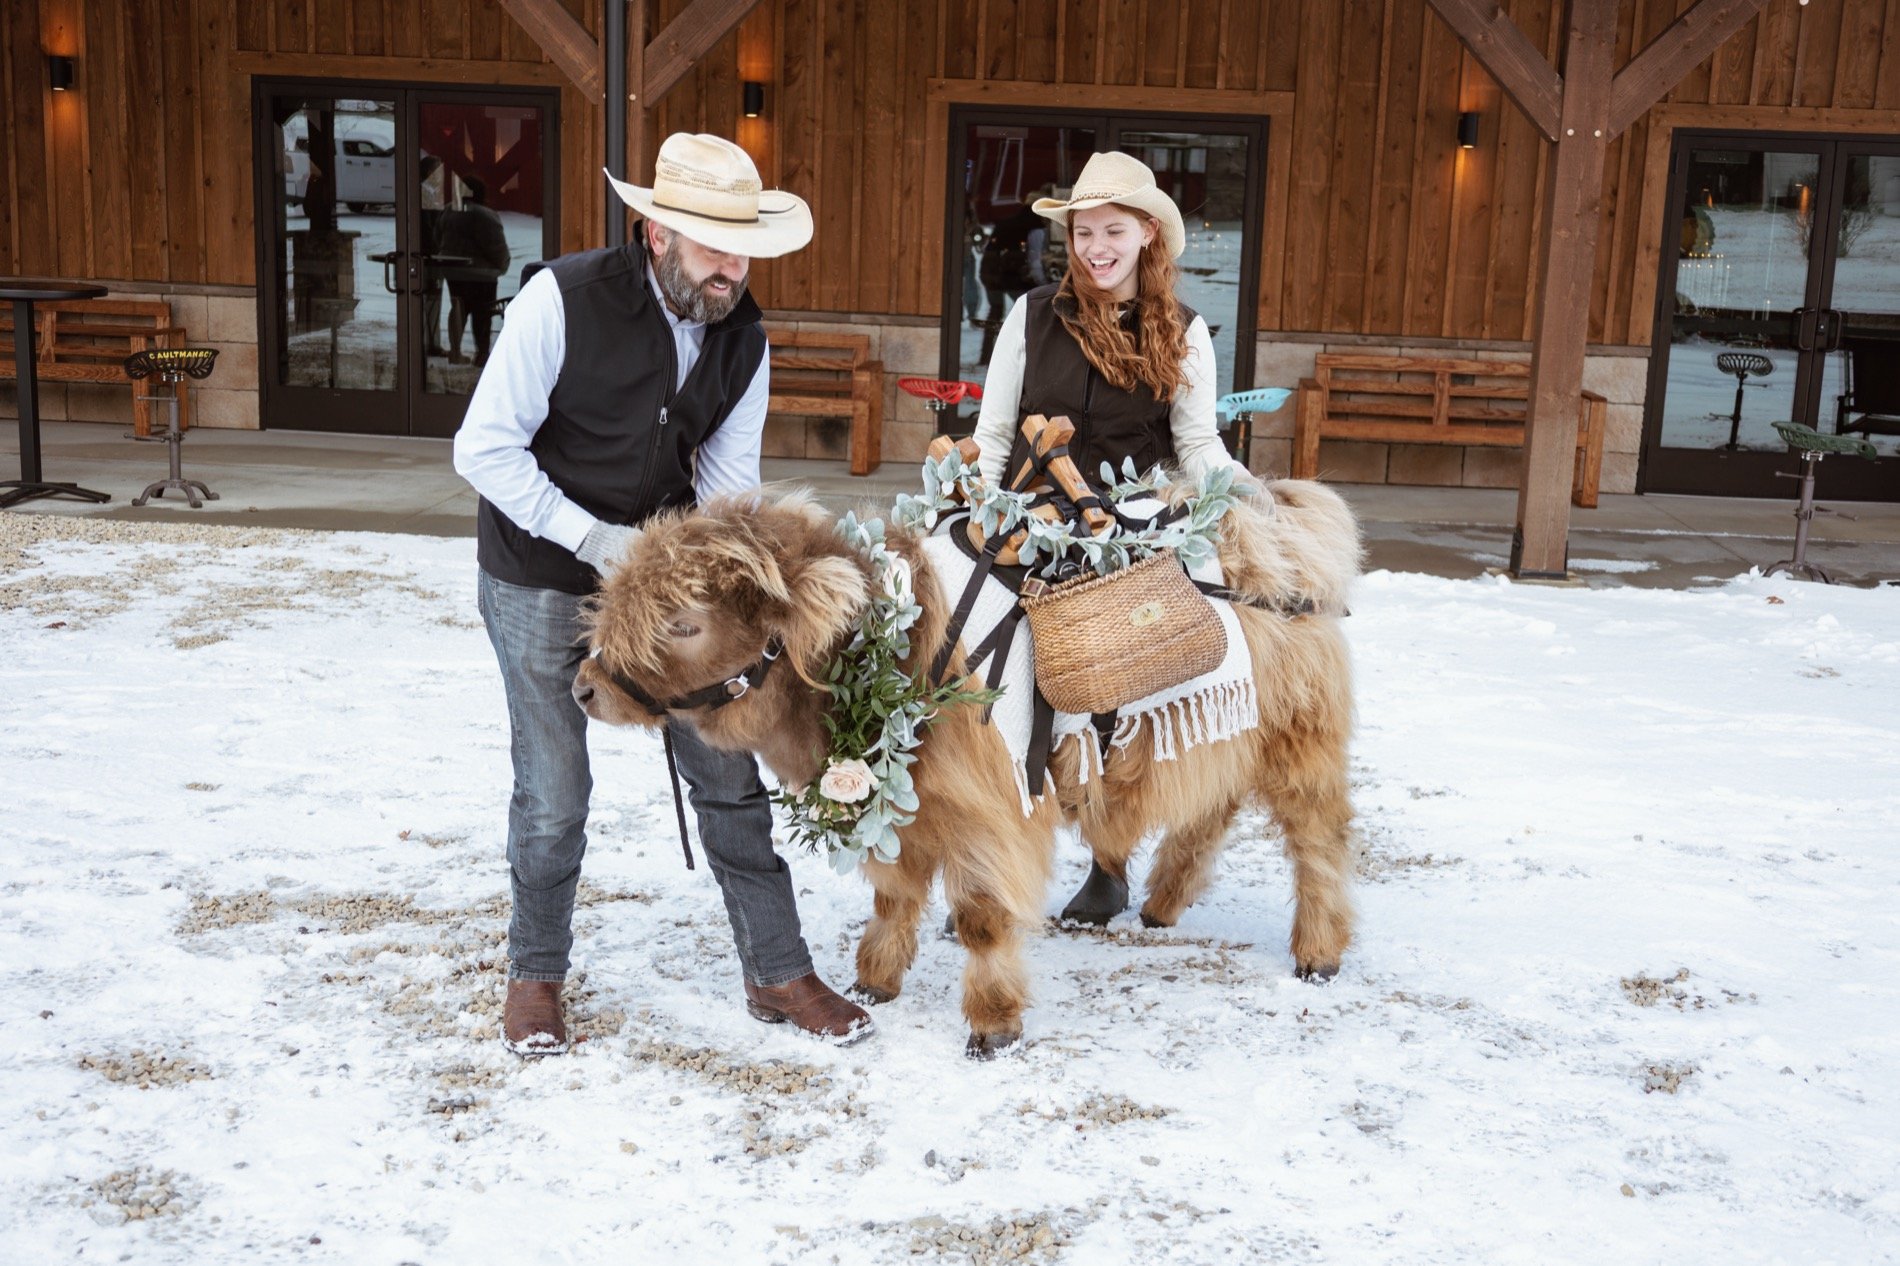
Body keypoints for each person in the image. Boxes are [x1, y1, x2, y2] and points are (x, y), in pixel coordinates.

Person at [452, 133, 873, 1056]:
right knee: (555, 793)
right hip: (541, 575)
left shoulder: (745, 338)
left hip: (671, 582)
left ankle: (777, 970)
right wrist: (603, 544)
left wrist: (752, 579)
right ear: (653, 233)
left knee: (731, 769)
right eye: (713, 244)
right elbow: (482, 449)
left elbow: (730, 486)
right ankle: (535, 975)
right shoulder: (559, 302)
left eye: (743, 246)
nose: (733, 267)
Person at [970, 149, 1256, 924]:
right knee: (987, 678)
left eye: (1113, 231)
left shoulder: (1185, 332)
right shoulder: (1030, 316)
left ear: (1147, 237)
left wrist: (1240, 489)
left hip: (1128, 521)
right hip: (1029, 515)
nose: (1096, 247)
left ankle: (1109, 853)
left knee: (1120, 684)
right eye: (1084, 231)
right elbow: (995, 434)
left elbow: (1197, 446)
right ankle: (994, 853)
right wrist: (981, 507)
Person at [438, 177, 511, 366]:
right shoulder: (485, 215)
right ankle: (482, 354)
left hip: (453, 271)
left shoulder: (448, 211)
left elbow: (438, 237)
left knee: (458, 308)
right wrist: (502, 266)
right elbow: (495, 246)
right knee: (482, 313)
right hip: (481, 274)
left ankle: (455, 351)